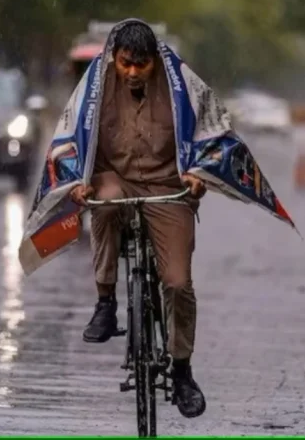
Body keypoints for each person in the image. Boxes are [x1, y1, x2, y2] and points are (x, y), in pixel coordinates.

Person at [68, 22, 207, 418]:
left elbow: (211, 138)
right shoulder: (94, 88)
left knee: (177, 283)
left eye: (141, 65)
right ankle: (105, 302)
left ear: (155, 63)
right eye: (125, 64)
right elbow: (71, 140)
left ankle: (182, 371)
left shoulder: (183, 87)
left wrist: (198, 176)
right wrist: (78, 182)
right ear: (114, 59)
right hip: (115, 178)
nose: (132, 72)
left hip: (169, 187)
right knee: (104, 202)